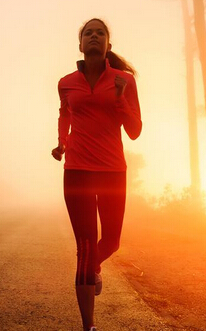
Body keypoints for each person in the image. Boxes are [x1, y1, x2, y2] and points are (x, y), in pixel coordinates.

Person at [51, 18, 142, 331]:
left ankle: (95, 266)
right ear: (80, 45)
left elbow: (135, 131)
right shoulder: (66, 82)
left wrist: (119, 99)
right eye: (88, 32)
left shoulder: (124, 81)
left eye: (99, 32)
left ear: (108, 46)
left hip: (112, 170)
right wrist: (61, 143)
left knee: (111, 242)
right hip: (76, 170)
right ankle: (88, 326)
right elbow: (65, 114)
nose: (93, 36)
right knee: (86, 248)